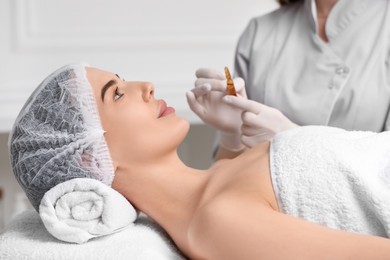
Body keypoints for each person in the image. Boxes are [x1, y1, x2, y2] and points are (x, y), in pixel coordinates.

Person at [8, 63, 390, 259]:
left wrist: (233, 136)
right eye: (118, 95)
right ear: (91, 157)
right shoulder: (216, 222)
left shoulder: (219, 182)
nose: (147, 87)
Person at [187, 0, 390, 160]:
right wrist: (231, 136)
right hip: (262, 209)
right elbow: (226, 182)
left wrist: (292, 140)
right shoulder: (260, 32)